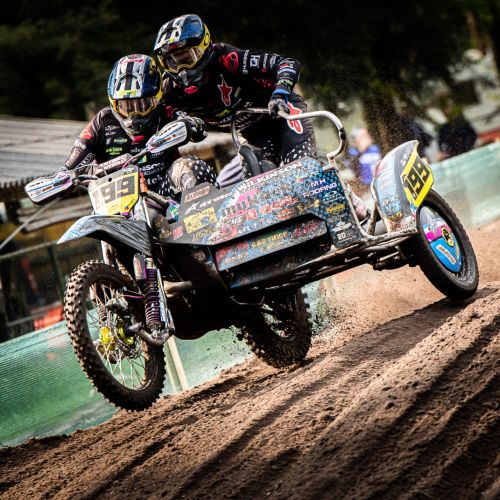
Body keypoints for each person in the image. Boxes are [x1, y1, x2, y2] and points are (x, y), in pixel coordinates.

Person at [153, 14, 368, 219]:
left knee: (301, 170)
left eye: (186, 58)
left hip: (283, 114)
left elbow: (287, 63)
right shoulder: (170, 90)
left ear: (204, 48)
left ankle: (350, 202)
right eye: (171, 62)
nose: (181, 69)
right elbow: (155, 127)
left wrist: (280, 93)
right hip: (253, 133)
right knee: (258, 190)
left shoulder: (228, 59)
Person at [63, 54, 217, 200]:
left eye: (142, 105)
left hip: (163, 196)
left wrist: (189, 125)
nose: (134, 114)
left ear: (156, 99)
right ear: (114, 103)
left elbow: (200, 130)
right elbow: (74, 160)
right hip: (115, 203)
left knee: (192, 167)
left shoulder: (166, 112)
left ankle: (209, 215)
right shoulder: (103, 121)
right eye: (126, 106)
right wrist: (61, 178)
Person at [344, 127, 382, 192]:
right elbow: (353, 168)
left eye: (367, 135)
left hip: (380, 181)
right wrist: (361, 150)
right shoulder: (353, 152)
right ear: (356, 141)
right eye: (363, 136)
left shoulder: (374, 148)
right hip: (366, 186)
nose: (368, 137)